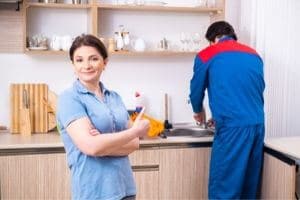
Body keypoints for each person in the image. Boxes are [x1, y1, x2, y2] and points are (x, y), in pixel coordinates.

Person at [56, 34, 150, 200]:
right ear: (73, 65)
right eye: (79, 60)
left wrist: (102, 143)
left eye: (93, 59)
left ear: (104, 62)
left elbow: (134, 145)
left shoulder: (114, 97)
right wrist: (133, 132)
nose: (86, 65)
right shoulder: (69, 98)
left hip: (124, 188)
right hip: (93, 191)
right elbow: (91, 147)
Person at [189, 21, 265, 199]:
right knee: (248, 188)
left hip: (232, 129)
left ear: (213, 39)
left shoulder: (207, 54)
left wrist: (198, 111)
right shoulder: (254, 55)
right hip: (257, 126)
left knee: (223, 190)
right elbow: (247, 90)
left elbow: (196, 91)